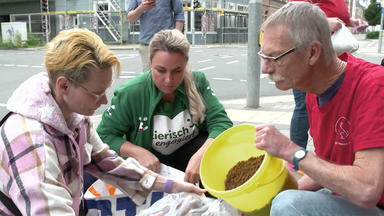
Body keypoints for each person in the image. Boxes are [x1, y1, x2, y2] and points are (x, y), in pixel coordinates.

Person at [0, 28, 204, 215]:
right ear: (64, 85)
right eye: (97, 93)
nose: (105, 101)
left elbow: (110, 165)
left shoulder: (73, 116)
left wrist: (173, 186)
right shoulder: (33, 144)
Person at [256, 2, 384, 215]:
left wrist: (290, 151)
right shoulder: (313, 92)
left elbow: (367, 189)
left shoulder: (373, 85)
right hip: (349, 199)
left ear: (312, 52)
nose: (265, 68)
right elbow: (327, 166)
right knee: (282, 201)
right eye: (263, 57)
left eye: (275, 58)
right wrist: (266, 201)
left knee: (288, 205)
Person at [97, 29, 233, 184]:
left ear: (186, 64)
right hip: (152, 168)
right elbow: (103, 135)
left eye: (177, 71)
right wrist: (137, 152)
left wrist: (201, 155)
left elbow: (221, 123)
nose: (168, 80)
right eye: (160, 70)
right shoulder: (130, 93)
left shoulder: (198, 81)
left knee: (218, 151)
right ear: (150, 64)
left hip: (187, 159)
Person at [289, 0, 368, 151]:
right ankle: (296, 156)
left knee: (330, 104)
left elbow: (334, 12)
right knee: (304, 106)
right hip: (308, 54)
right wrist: (323, 22)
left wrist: (351, 21)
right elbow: (292, 16)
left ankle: (327, 153)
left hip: (329, 56)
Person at [127, 0, 185, 73]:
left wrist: (176, 37)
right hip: (146, 44)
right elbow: (130, 18)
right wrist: (141, 8)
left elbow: (179, 13)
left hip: (167, 43)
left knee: (169, 76)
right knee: (148, 79)